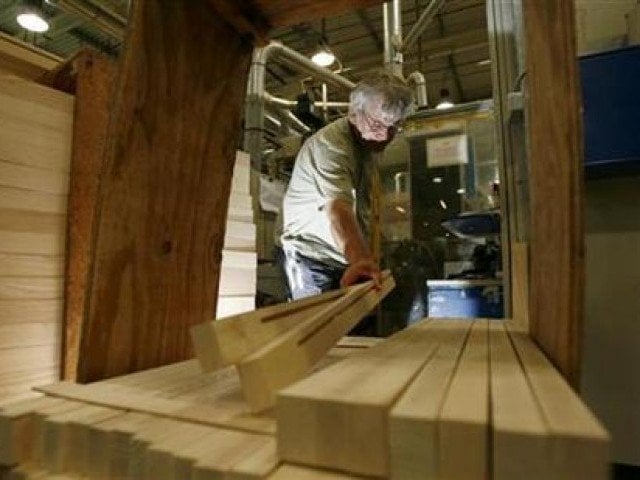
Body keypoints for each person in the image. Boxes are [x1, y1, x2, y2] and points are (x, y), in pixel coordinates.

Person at [280, 71, 413, 300]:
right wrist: (361, 259)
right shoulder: (330, 147)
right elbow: (338, 208)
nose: (385, 136)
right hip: (310, 257)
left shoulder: (368, 146)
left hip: (341, 256)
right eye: (377, 123)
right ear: (353, 113)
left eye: (394, 127)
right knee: (314, 328)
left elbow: (359, 208)